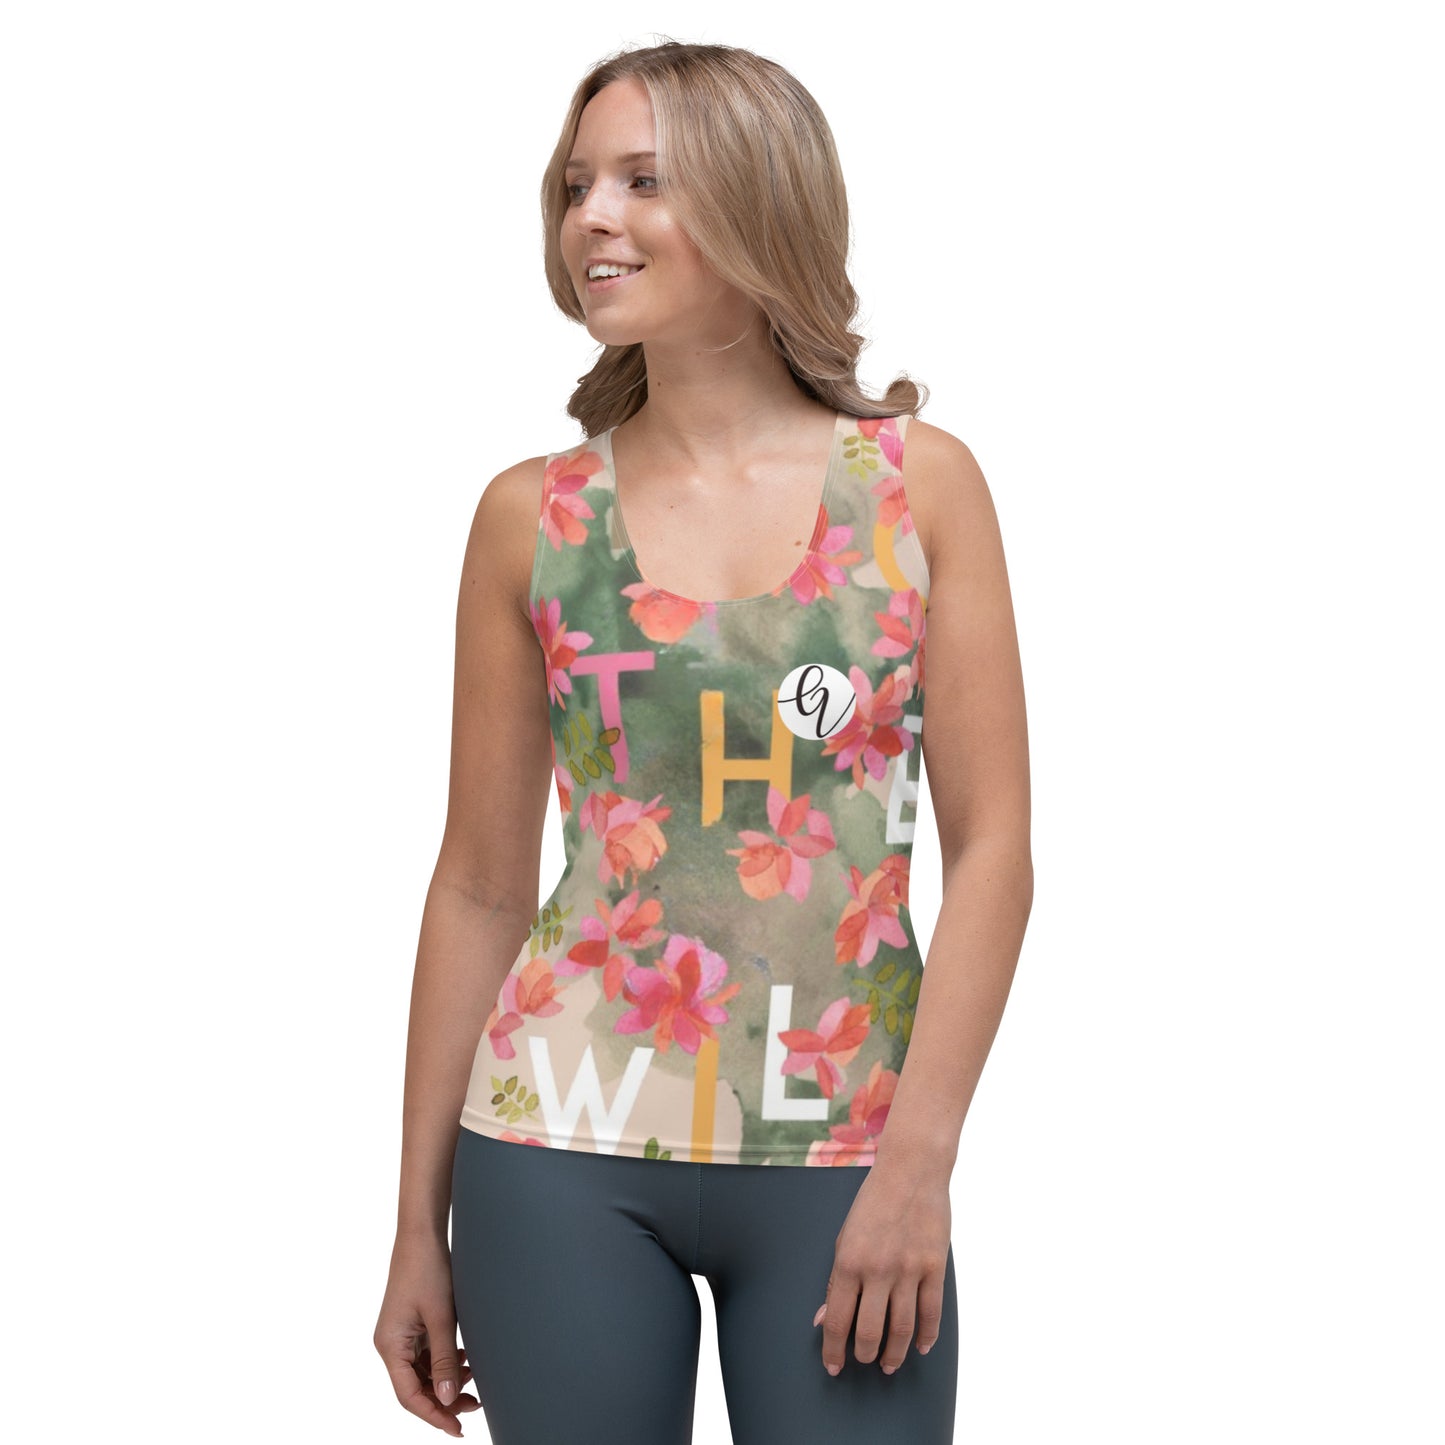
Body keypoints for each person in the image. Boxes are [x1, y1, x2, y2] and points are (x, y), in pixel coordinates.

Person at [374, 38, 1032, 1445]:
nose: (591, 218)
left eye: (641, 181)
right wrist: (416, 1224)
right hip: (552, 1139)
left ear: (755, 199)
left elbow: (994, 853)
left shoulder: (917, 490)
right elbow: (480, 885)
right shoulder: (529, 518)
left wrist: (918, 1163)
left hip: (846, 1148)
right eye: (576, 185)